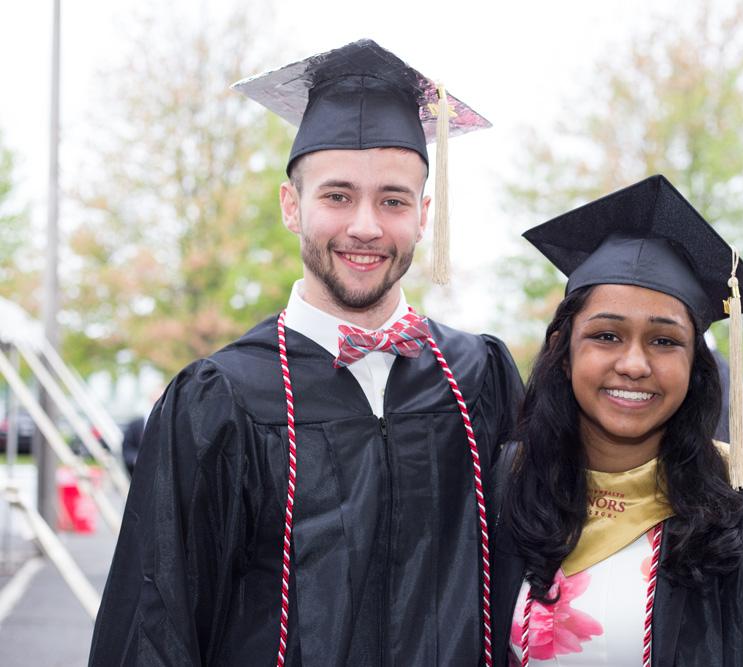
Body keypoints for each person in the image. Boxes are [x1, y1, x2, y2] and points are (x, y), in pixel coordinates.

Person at [89, 39, 523, 666]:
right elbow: (159, 623)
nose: (366, 226)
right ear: (293, 207)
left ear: (425, 214)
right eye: (337, 196)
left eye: (393, 200)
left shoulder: (477, 378)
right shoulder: (222, 399)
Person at [491, 175, 743, 666]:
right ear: (564, 352)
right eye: (607, 336)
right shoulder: (507, 483)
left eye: (664, 341)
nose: (634, 364)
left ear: (695, 365)